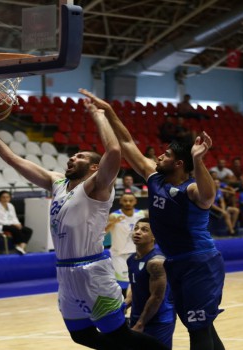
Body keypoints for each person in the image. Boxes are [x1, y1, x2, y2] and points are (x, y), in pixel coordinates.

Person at [0, 96, 168, 349]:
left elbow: (115, 152)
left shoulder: (97, 186)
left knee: (119, 335)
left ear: (93, 167)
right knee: (81, 336)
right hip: (65, 271)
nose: (71, 158)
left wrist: (98, 114)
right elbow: (14, 160)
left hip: (92, 271)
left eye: (78, 156)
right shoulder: (57, 183)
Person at [81, 88, 225, 350]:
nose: (159, 156)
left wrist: (198, 159)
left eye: (167, 155)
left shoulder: (190, 189)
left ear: (180, 164)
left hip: (199, 262)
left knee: (198, 329)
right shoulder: (155, 177)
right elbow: (126, 145)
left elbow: (208, 196)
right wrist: (109, 111)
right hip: (175, 263)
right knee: (202, 324)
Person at [125, 218, 175, 348]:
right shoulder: (131, 259)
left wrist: (141, 323)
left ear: (154, 236)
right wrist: (123, 306)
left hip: (159, 320)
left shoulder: (156, 262)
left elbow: (157, 297)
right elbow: (134, 287)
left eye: (144, 230)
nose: (138, 232)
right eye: (136, 228)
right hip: (137, 316)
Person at [105, 193, 146, 295]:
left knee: (138, 281)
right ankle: (122, 307)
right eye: (125, 200)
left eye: (130, 200)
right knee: (122, 283)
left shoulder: (141, 214)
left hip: (137, 254)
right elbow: (103, 232)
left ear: (135, 201)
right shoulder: (114, 215)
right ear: (120, 201)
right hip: (119, 255)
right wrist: (112, 222)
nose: (128, 203)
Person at [0, 191, 32, 255]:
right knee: (14, 228)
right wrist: (13, 224)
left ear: (10, 198)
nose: (5, 199)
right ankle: (17, 246)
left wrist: (18, 224)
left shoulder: (11, 205)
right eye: (3, 197)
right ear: (0, 198)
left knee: (28, 230)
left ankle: (21, 247)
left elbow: (14, 217)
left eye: (7, 197)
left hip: (12, 224)